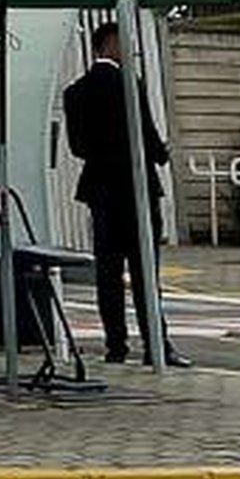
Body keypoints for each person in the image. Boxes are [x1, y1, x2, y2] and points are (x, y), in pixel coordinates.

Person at [60, 21, 183, 367]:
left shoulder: (75, 92)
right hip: (136, 187)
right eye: (124, 43)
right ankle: (156, 345)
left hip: (100, 189)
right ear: (110, 44)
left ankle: (116, 345)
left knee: (108, 273)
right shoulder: (129, 83)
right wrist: (161, 153)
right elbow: (145, 131)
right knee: (145, 272)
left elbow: (78, 146)